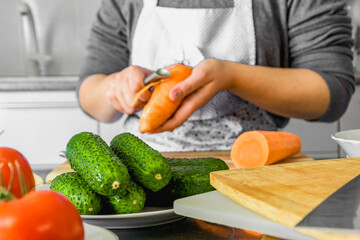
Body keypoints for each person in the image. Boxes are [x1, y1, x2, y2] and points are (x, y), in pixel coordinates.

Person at [77, 0, 355, 152]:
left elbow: (331, 93)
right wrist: (116, 89)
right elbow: (90, 89)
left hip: (255, 166)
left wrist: (231, 77)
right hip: (142, 164)